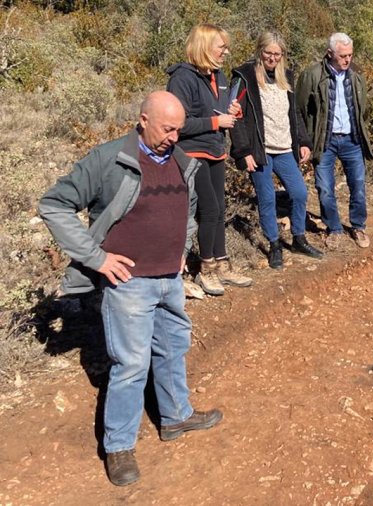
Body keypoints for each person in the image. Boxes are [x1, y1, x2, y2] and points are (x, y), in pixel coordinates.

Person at [38, 91, 223, 486]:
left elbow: (188, 211)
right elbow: (54, 204)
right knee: (132, 364)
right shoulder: (108, 160)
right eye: (166, 128)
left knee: (173, 347)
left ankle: (175, 416)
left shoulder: (180, 160)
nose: (174, 136)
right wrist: (97, 258)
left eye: (178, 129)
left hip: (169, 279)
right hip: (129, 284)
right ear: (142, 120)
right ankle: (118, 446)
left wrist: (182, 248)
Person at [167, 23, 252, 295]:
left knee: (219, 207)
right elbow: (177, 123)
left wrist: (231, 111)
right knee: (210, 209)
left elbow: (220, 111)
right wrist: (217, 121)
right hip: (192, 151)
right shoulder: (182, 77)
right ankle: (207, 269)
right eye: (221, 47)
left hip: (216, 148)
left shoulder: (219, 75)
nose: (226, 52)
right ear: (205, 46)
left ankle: (222, 263)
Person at [230, 32, 323, 268]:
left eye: (277, 54)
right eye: (268, 52)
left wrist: (303, 141)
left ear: (283, 55)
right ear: (259, 51)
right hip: (260, 150)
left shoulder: (286, 77)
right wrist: (243, 151)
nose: (272, 58)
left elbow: (295, 115)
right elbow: (236, 118)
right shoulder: (244, 77)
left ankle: (299, 239)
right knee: (267, 197)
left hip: (284, 148)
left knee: (300, 193)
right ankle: (274, 245)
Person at [295, 32, 373, 250]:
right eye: (342, 56)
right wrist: (304, 140)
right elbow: (299, 109)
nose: (347, 60)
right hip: (325, 141)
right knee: (325, 187)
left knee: (358, 185)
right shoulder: (312, 75)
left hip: (352, 139)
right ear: (330, 53)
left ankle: (358, 226)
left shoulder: (356, 75)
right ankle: (334, 228)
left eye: (350, 55)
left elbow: (362, 109)